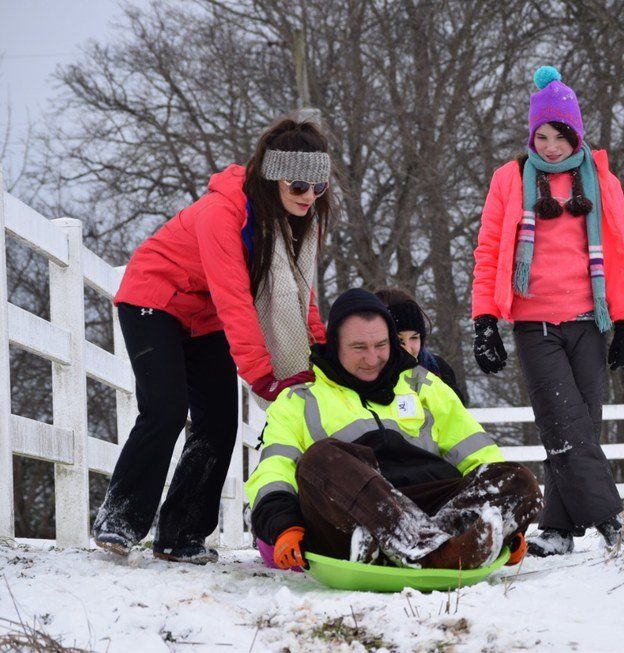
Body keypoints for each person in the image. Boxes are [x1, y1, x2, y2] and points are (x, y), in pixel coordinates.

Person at [92, 116, 332, 564]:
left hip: (205, 317)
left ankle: (180, 534)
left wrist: (321, 355)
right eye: (298, 185)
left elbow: (304, 297)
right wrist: (263, 376)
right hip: (155, 300)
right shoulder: (223, 214)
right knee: (165, 409)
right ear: (272, 176)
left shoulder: (297, 225)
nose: (308, 197)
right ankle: (120, 520)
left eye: (318, 188)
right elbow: (235, 300)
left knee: (219, 420)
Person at [471, 66, 624, 556]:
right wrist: (484, 319)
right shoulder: (510, 179)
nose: (550, 146)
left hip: (589, 321)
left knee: (579, 423)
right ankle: (611, 520)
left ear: (577, 135)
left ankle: (558, 528)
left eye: (561, 136)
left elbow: (623, 251)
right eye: (542, 135)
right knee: (564, 418)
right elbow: (489, 249)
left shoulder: (600, 181)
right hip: (535, 323)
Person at [245, 289, 542, 571]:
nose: (372, 359)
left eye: (381, 346)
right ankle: (441, 552)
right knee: (320, 458)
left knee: (518, 480)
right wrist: (283, 523)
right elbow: (274, 468)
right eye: (359, 347)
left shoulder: (422, 384)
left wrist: (505, 526)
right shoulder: (301, 398)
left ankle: (430, 541)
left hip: (431, 504)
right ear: (335, 345)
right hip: (352, 513)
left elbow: (478, 455)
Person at [375, 286, 469, 405]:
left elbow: (457, 417)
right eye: (399, 340)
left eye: (414, 338)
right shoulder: (363, 377)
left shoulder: (438, 370)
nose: (408, 349)